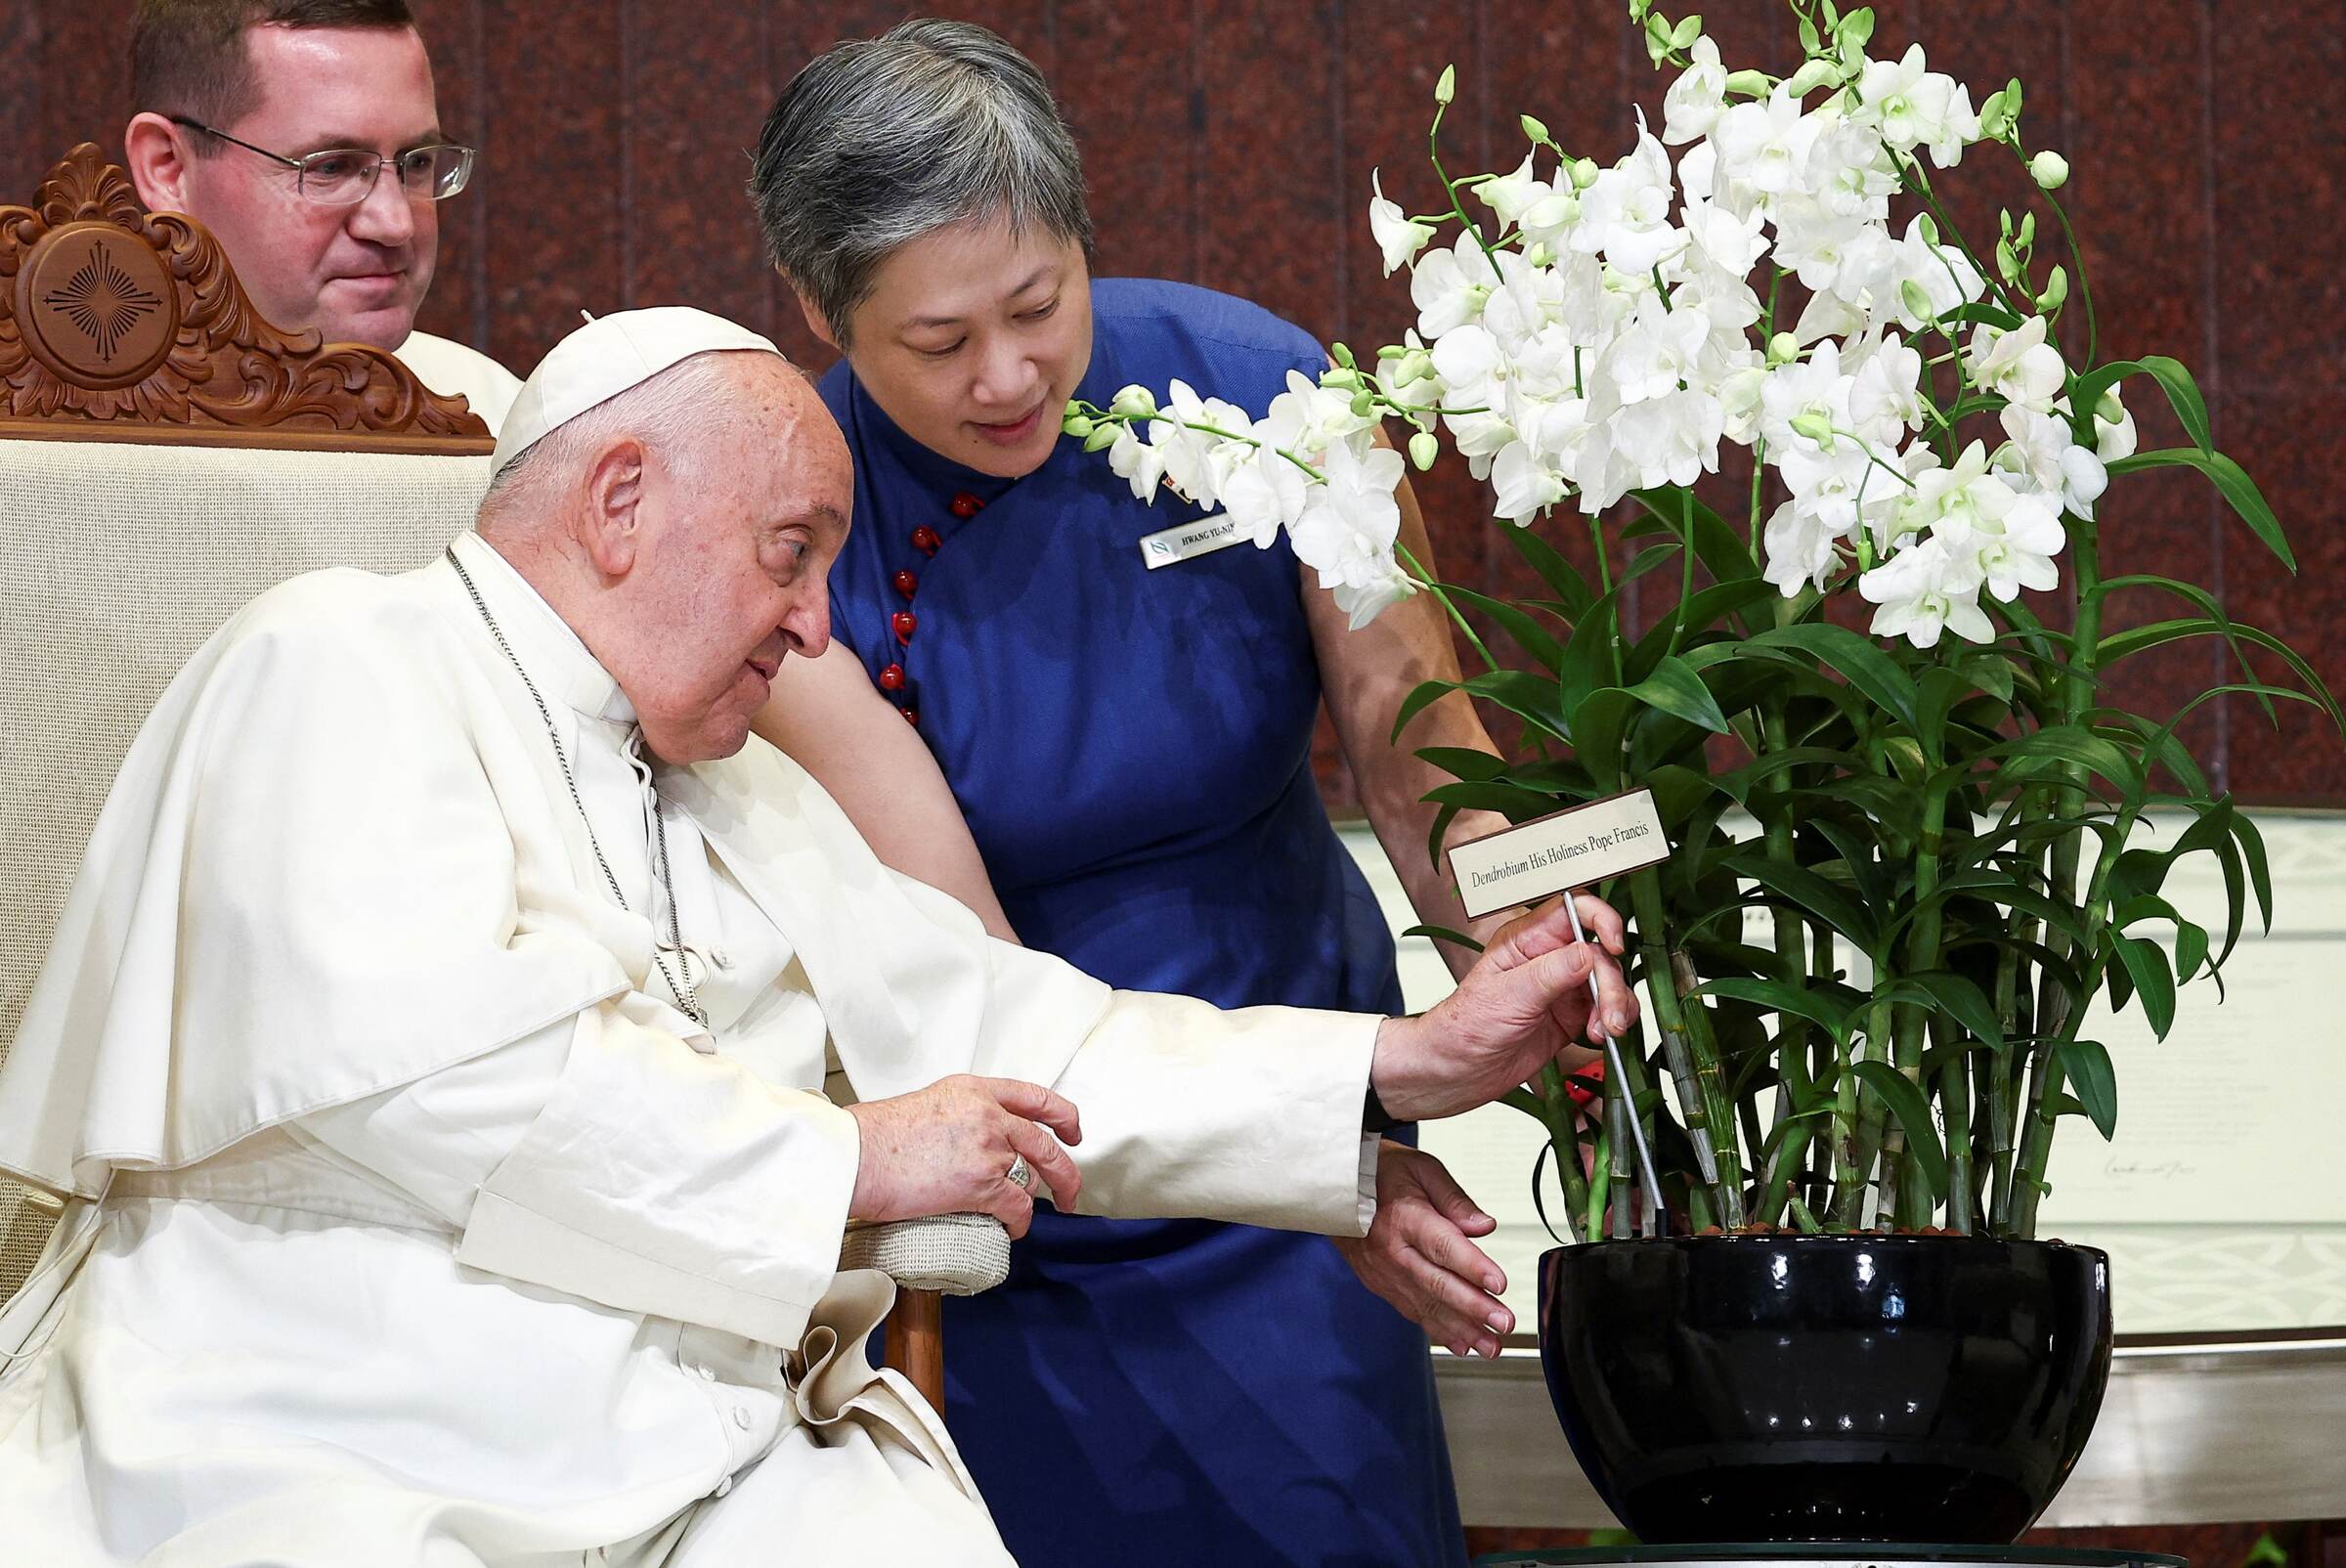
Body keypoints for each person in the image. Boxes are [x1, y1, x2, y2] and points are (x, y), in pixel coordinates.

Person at [0, 307, 1634, 1567]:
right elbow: (431, 1083)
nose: (809, 628)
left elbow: (1007, 1022)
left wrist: (1402, 1060)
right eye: (791, 557)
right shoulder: (343, 657)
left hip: (673, 1418)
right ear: (621, 499)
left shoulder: (726, 783)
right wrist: (847, 1158)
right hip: (327, 1393)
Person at [747, 22, 1612, 1565]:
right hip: (1028, 1183)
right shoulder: (802, 532)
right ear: (821, 311)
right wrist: (1327, 1159)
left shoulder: (1262, 393)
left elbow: (1428, 768)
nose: (1010, 377)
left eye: (1039, 304)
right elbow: (977, 978)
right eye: (938, 345)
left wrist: (1531, 932)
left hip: (1325, 1140)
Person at [120, 0, 520, 431]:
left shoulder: (505, 425)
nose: (395, 223)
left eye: (416, 162)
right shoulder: (65, 455)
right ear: (169, 169)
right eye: (331, 167)